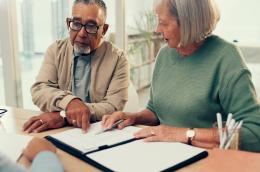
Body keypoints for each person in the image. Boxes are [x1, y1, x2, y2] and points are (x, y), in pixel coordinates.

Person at [101, 0, 260, 152]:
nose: (157, 29)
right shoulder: (164, 54)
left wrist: (184, 134)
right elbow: (156, 109)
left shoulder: (226, 58)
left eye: (163, 23)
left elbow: (255, 134)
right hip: (163, 154)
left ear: (188, 23)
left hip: (205, 160)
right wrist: (133, 117)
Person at [23, 0, 129, 133]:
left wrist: (64, 116)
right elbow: (40, 90)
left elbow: (113, 107)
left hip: (96, 131)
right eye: (76, 24)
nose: (82, 33)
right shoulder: (56, 50)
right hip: (54, 130)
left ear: (104, 30)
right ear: (69, 23)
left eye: (91, 26)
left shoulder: (118, 59)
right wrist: (70, 102)